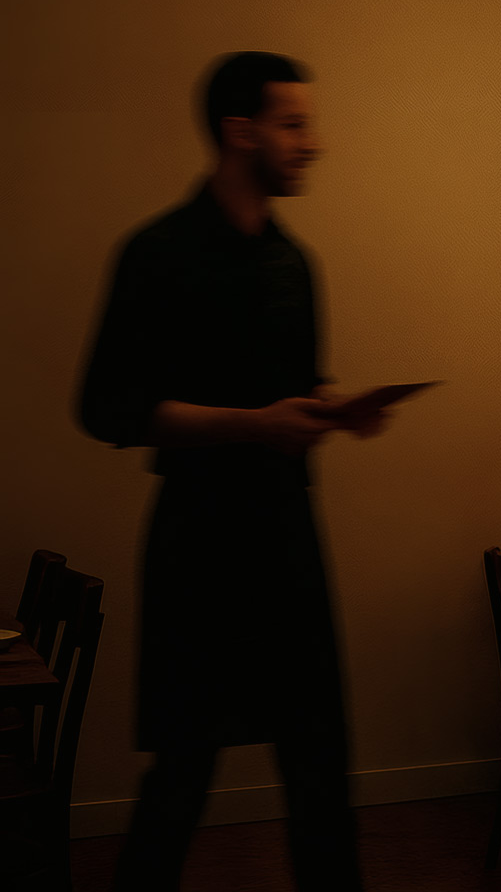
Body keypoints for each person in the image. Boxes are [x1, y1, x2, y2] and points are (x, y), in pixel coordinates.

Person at [79, 52, 385, 890]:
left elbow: (295, 395)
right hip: (199, 543)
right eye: (295, 124)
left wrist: (333, 412)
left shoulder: (294, 265)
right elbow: (108, 409)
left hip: (287, 536)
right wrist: (257, 424)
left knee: (320, 766)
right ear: (239, 131)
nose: (313, 143)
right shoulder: (157, 254)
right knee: (182, 772)